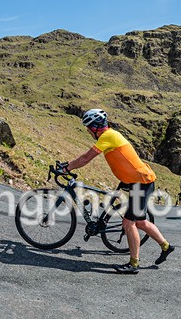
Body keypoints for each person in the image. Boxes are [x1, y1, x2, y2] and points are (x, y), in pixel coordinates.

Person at [62, 108, 174, 274]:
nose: (87, 131)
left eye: (88, 128)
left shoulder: (108, 136)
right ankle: (166, 246)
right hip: (137, 182)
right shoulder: (110, 135)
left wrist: (67, 168)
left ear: (95, 127)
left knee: (128, 223)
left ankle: (134, 264)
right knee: (141, 222)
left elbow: (86, 158)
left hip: (141, 183)